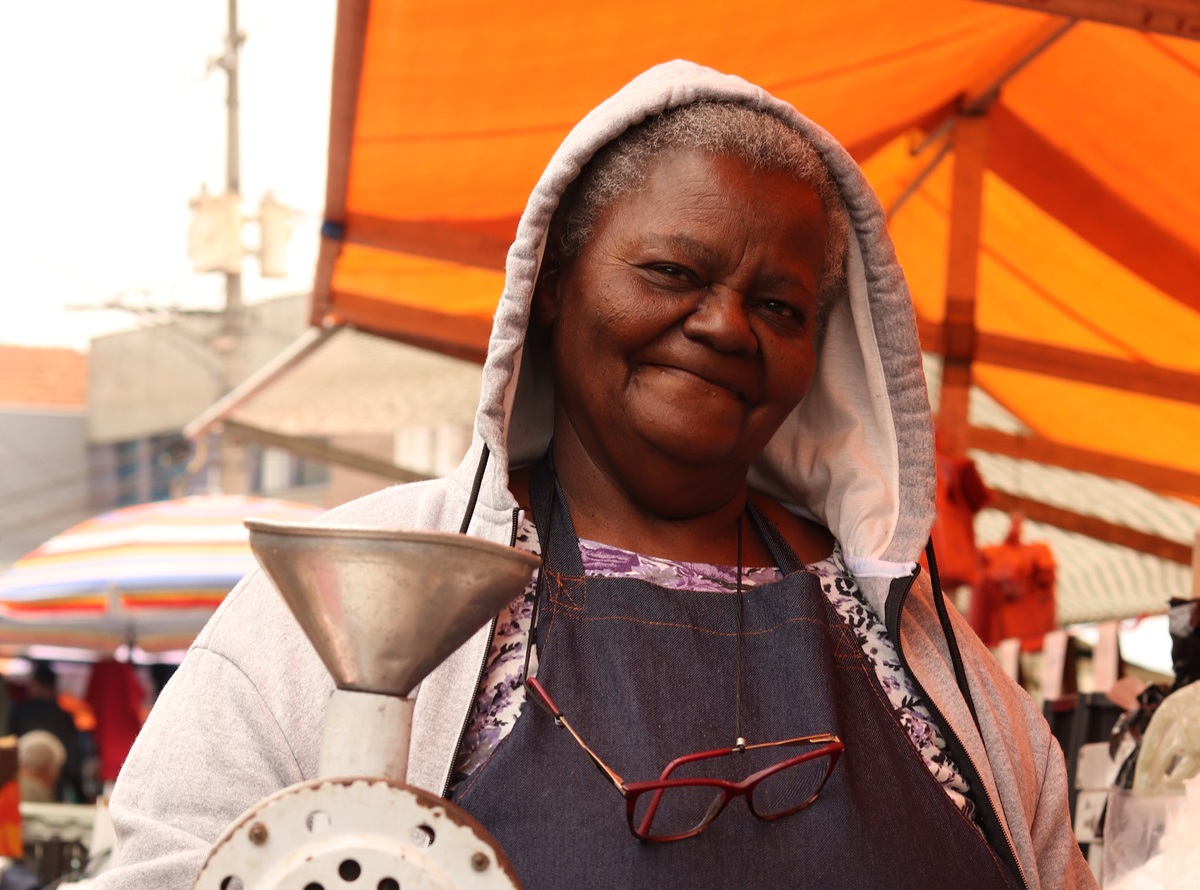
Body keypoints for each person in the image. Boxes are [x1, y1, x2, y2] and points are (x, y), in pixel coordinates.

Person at [96, 61, 1092, 888]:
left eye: (780, 307)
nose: (725, 325)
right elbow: (161, 866)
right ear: (553, 285)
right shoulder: (357, 591)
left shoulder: (931, 659)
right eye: (672, 272)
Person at [10, 665, 82, 803]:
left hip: (19, 791)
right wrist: (80, 794)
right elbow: (74, 763)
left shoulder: (18, 713)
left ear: (34, 684)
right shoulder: (64, 717)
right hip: (54, 792)